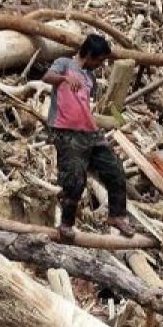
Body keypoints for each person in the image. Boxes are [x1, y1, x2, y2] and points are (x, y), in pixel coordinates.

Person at [41, 33, 134, 242]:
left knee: (115, 169)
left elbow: (84, 106)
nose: (100, 65)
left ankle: (117, 215)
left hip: (90, 132)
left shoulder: (90, 77)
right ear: (90, 54)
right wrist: (65, 77)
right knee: (74, 179)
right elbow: (47, 77)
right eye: (99, 60)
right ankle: (66, 225)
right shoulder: (64, 64)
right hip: (65, 131)